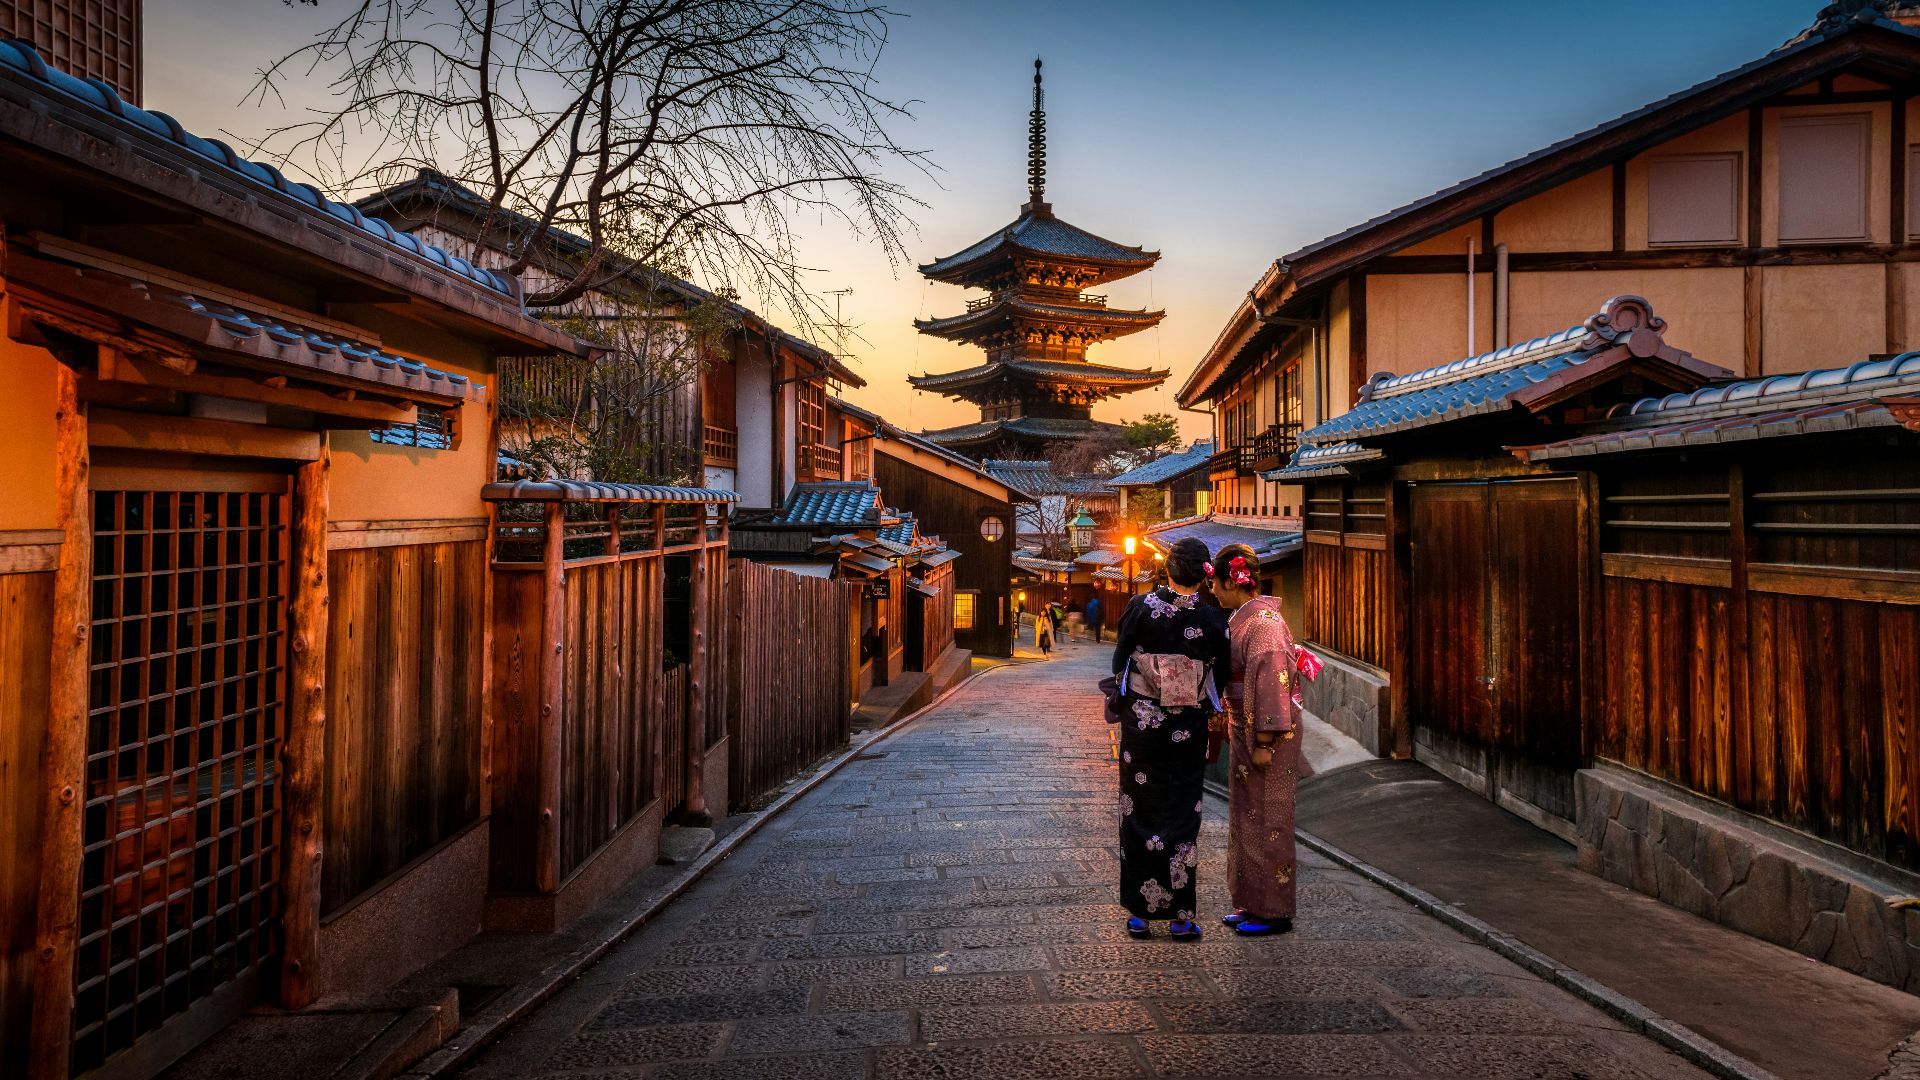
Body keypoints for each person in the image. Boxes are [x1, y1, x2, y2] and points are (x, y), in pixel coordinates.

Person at [1110, 537, 1229, 940]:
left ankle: (1140, 914)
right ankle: (1181, 915)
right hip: (1187, 729)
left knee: (1138, 809)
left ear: (1168, 569)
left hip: (1143, 726)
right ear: (1204, 574)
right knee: (1181, 813)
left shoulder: (1140, 607)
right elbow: (1221, 675)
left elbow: (1121, 658)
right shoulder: (1214, 620)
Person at [1210, 543, 1314, 936]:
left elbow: (1272, 685)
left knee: (1269, 818)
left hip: (1266, 733)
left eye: (1215, 584)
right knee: (1247, 814)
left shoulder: (1264, 625)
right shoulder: (1246, 618)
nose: (1213, 592)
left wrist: (1265, 742)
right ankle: (1251, 901)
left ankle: (1273, 911)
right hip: (1246, 726)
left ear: (1231, 582)